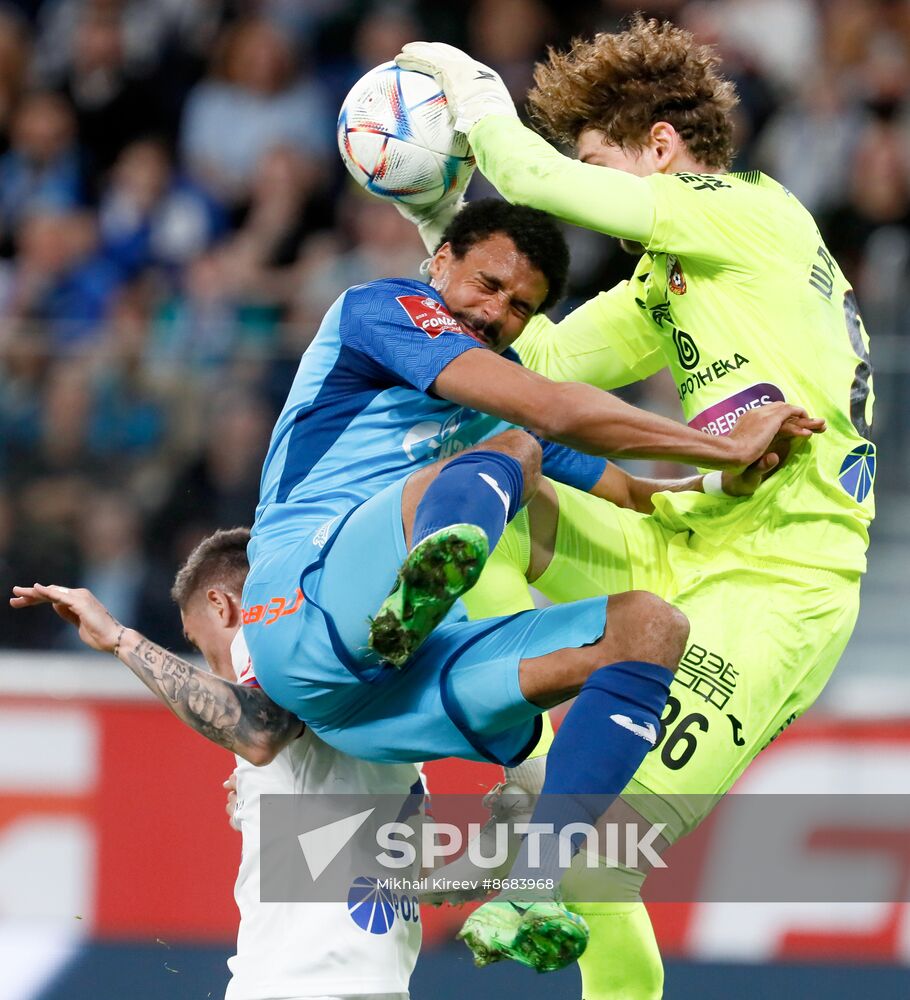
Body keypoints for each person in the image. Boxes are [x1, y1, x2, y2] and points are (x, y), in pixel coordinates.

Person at [395, 16, 874, 995]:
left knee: (594, 853)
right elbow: (521, 369)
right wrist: (435, 240)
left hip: (781, 585)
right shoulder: (671, 275)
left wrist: (465, 81)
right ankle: (519, 742)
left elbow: (532, 182)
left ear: (660, 148)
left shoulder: (747, 212)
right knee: (485, 483)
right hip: (684, 536)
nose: (595, 193)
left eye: (600, 164)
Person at [236, 197, 818, 970]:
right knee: (515, 443)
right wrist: (718, 443)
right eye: (487, 283)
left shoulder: (497, 389)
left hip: (373, 700)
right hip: (302, 603)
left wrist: (728, 484)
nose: (498, 312)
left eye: (521, 306)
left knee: (649, 628)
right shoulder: (378, 311)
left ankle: (533, 885)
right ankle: (424, 590)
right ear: (440, 262)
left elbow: (630, 490)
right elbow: (548, 410)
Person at [11, 527, 423, 1000]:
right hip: (375, 977)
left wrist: (119, 640)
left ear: (221, 605)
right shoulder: (377, 681)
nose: (211, 667)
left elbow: (259, 730)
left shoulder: (266, 638)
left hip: (298, 980)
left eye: (198, 640)